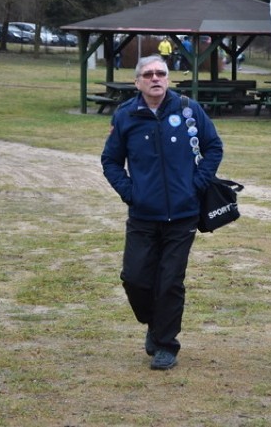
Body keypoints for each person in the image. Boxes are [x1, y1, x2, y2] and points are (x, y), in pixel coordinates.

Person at [101, 54, 223, 370]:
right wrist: (131, 193)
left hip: (182, 216)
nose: (156, 78)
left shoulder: (187, 109)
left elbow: (214, 148)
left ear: (167, 78)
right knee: (135, 278)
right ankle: (155, 324)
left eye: (161, 73)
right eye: (149, 74)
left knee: (170, 281)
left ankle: (166, 344)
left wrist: (196, 184)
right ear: (137, 81)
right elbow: (111, 161)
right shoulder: (126, 115)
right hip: (143, 215)